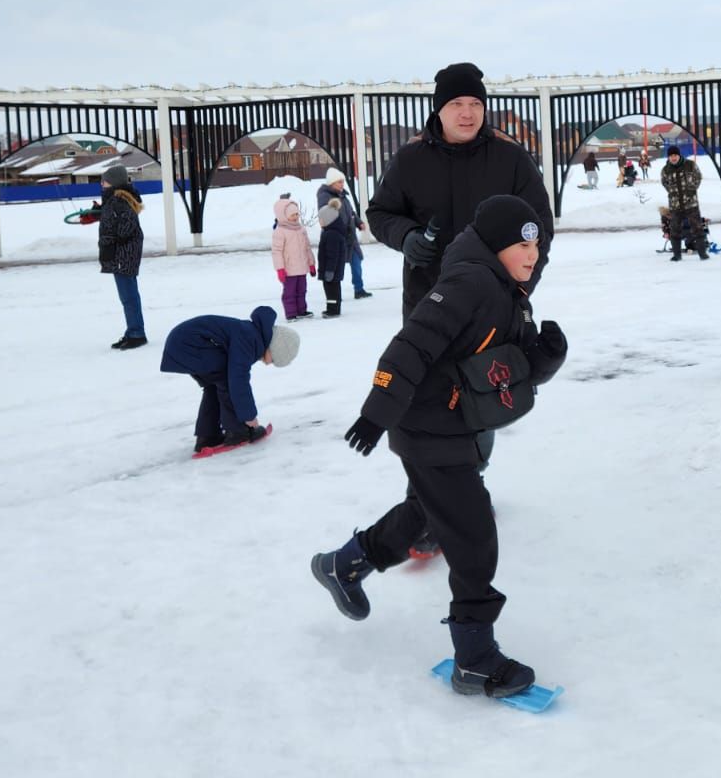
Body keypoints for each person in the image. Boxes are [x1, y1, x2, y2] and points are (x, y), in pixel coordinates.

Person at [309, 195, 568, 699]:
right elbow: (412, 345)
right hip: (429, 429)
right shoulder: (469, 283)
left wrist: (544, 359)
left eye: (536, 245)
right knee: (472, 538)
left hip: (451, 426)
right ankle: (475, 659)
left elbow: (496, 368)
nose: (532, 255)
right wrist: (376, 412)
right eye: (522, 244)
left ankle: (345, 563)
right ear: (496, 246)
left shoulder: (506, 288)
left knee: (428, 514)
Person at [367, 62, 554, 320]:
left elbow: (539, 227)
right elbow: (380, 214)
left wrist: (519, 290)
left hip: (495, 307)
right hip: (427, 307)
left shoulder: (512, 159)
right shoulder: (410, 160)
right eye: (456, 103)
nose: (467, 113)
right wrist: (406, 236)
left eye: (475, 104)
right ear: (439, 109)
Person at [159, 305, 300, 453]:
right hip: (190, 345)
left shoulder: (250, 333)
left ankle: (207, 436)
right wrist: (249, 417)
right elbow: (238, 380)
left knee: (214, 385)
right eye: (274, 360)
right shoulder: (250, 338)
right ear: (275, 347)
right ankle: (238, 432)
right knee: (227, 380)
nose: (270, 363)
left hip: (181, 344)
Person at [98, 164, 147, 350]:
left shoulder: (119, 201)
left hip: (123, 255)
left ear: (115, 182)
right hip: (122, 254)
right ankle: (132, 331)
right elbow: (114, 219)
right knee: (128, 296)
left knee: (129, 297)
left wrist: (108, 238)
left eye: (105, 180)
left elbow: (126, 227)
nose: (102, 183)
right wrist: (97, 214)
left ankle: (137, 333)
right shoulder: (115, 200)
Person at [317, 168, 370, 299]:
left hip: (351, 237)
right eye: (339, 182)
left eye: (342, 181)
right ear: (331, 183)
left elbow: (350, 212)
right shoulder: (325, 196)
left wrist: (358, 222)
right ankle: (334, 294)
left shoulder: (343, 196)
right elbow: (326, 215)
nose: (342, 184)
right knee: (335, 267)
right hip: (337, 237)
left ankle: (359, 289)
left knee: (357, 262)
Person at [660, 143, 708, 261]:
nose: (673, 157)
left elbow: (698, 176)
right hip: (675, 205)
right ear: (668, 157)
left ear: (679, 155)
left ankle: (703, 253)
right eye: (671, 156)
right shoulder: (666, 170)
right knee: (675, 230)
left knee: (697, 228)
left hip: (691, 203)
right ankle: (677, 255)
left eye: (675, 155)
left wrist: (692, 189)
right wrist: (672, 192)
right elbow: (664, 183)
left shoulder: (690, 165)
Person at [272, 194, 315, 321]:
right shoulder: (280, 231)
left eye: (297, 214)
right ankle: (291, 313)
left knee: (302, 290)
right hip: (289, 269)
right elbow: (277, 252)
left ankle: (302, 310)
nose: (296, 217)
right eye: (293, 215)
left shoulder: (301, 229)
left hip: (302, 267)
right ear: (284, 215)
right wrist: (280, 269)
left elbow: (307, 247)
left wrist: (311, 264)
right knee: (289, 292)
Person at [316, 199, 351, 318]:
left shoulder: (331, 234)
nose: (319, 222)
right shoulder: (332, 231)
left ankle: (332, 310)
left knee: (331, 291)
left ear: (328, 220)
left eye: (320, 219)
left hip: (331, 270)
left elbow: (332, 255)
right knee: (334, 289)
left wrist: (329, 270)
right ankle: (334, 309)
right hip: (332, 270)